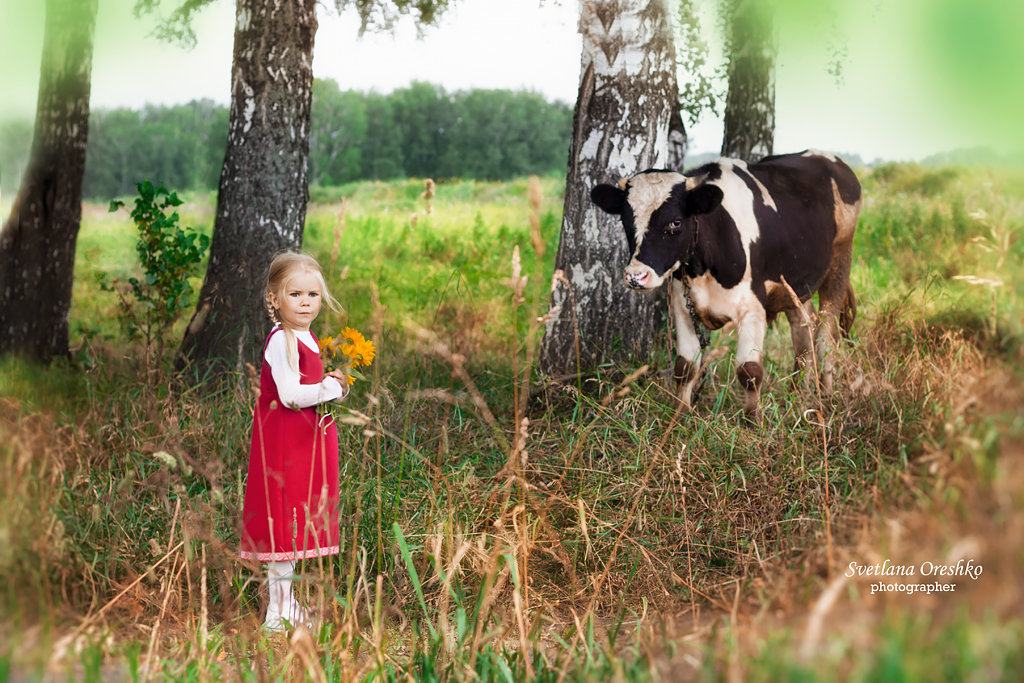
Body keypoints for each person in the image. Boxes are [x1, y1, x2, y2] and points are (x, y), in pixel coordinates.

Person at [239, 251, 348, 632]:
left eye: (313, 295)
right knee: (283, 519)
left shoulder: (307, 335)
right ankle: (276, 612)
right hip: (285, 442)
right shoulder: (281, 339)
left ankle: (286, 603)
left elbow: (309, 388)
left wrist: (331, 385)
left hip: (304, 442)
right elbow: (289, 395)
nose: (305, 302)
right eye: (296, 294)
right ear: (275, 298)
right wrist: (330, 388)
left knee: (297, 519)